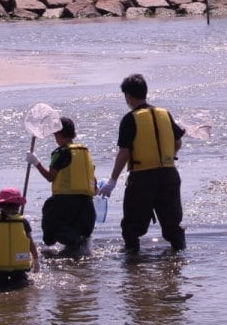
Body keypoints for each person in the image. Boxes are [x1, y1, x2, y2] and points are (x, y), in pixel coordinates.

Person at [99, 73, 187, 254]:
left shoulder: (130, 119)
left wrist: (112, 181)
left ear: (128, 96)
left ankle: (133, 268)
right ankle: (178, 262)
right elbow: (177, 143)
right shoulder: (165, 114)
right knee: (172, 225)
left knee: (132, 227)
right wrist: (167, 157)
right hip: (169, 175)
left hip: (142, 178)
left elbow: (125, 152)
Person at [25, 116, 97, 255]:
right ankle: (78, 246)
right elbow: (94, 184)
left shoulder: (61, 152)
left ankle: (72, 242)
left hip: (65, 203)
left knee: (53, 227)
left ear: (59, 134)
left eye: (55, 135)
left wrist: (36, 162)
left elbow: (50, 177)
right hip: (88, 206)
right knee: (78, 239)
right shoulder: (85, 152)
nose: (55, 138)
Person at [0, 187, 39, 288]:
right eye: (8, 207)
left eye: (13, 207)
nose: (11, 210)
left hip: (18, 269)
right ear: (1, 206)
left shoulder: (23, 222)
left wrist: (36, 260)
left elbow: (30, 243)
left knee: (21, 286)